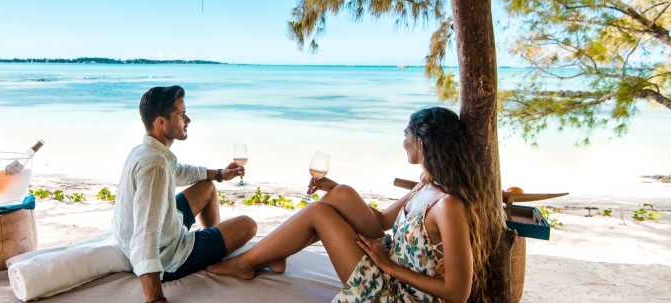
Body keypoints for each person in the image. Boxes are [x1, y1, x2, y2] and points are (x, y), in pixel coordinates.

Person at [208, 107, 502, 303]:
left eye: (406, 134)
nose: (403, 141)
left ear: (423, 143)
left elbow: (458, 292)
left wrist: (387, 265)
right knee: (342, 194)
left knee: (319, 213)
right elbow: (382, 220)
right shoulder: (426, 184)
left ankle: (246, 264)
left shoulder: (449, 206)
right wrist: (335, 189)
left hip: (399, 294)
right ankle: (270, 256)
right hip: (391, 266)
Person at [112, 85, 258, 303]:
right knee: (248, 225)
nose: (188, 120)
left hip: (158, 231)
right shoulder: (155, 165)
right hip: (167, 257)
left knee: (207, 186)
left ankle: (213, 245)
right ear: (161, 122)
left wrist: (219, 174)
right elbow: (146, 233)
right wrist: (155, 298)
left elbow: (178, 172)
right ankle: (216, 258)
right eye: (181, 114)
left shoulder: (147, 151)